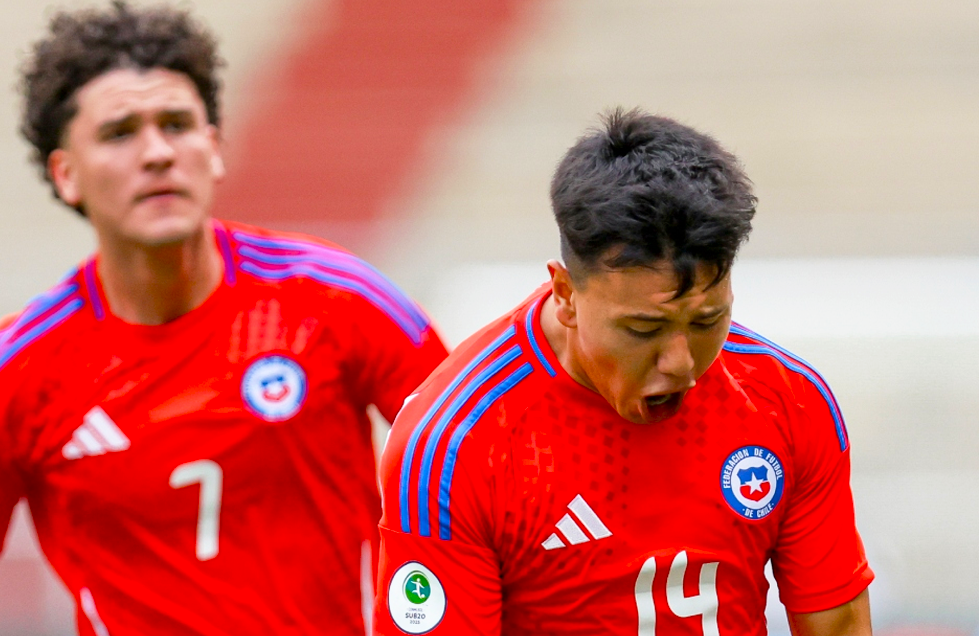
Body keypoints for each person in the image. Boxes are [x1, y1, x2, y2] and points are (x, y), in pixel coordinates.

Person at [0, 3, 447, 634]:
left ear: (214, 149)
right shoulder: (12, 373)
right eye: (119, 133)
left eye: (177, 124)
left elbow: (478, 473)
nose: (158, 152)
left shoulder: (338, 300)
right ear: (66, 174)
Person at [374, 109, 873, 635]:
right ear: (566, 294)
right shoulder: (455, 446)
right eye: (643, 329)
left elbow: (837, 625)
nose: (681, 363)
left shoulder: (787, 400)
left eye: (708, 320)